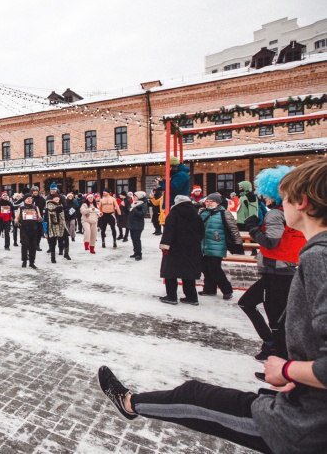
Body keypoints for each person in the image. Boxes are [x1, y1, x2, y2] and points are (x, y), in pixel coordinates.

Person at [98, 158, 327, 454]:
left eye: (285, 198)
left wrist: (288, 369)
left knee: (193, 398)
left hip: (304, 427)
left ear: (304, 202)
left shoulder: (318, 256)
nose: (279, 205)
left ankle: (129, 403)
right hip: (305, 406)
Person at [239, 166, 306, 361]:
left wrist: (253, 229)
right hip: (289, 266)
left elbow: (270, 241)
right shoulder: (294, 214)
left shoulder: (276, 214)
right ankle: (274, 347)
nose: (263, 197)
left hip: (275, 270)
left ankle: (276, 350)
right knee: (275, 313)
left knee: (266, 312)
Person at [158, 195, 204, 305]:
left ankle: (171, 296)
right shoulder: (196, 215)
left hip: (174, 248)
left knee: (170, 273)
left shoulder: (173, 214)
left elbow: (168, 232)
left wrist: (164, 247)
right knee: (188, 273)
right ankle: (192, 297)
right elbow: (201, 232)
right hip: (192, 249)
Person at [199, 193, 243, 300]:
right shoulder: (203, 213)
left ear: (217, 203)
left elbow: (233, 229)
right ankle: (209, 289)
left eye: (211, 201)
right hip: (203, 245)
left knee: (215, 269)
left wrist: (238, 243)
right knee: (205, 268)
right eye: (207, 201)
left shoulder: (225, 213)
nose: (208, 203)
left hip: (217, 245)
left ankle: (227, 290)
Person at [15, 194, 42, 268]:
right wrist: (16, 221)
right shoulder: (21, 208)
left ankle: (32, 262)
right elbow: (17, 217)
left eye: (31, 198)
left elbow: (39, 216)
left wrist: (40, 218)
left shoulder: (35, 207)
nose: (30, 200)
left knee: (33, 246)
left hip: (34, 228)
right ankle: (24, 261)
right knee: (24, 245)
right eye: (28, 198)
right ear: (24, 200)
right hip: (24, 229)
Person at [45, 191, 70, 262]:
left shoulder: (62, 205)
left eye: (57, 198)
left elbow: (65, 215)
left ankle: (66, 253)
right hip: (53, 226)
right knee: (53, 241)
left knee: (66, 238)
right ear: (52, 199)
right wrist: (45, 229)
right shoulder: (49, 206)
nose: (57, 199)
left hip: (62, 225)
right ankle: (53, 257)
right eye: (55, 198)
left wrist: (66, 212)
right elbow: (46, 217)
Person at [128, 191, 147, 261]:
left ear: (139, 197)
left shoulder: (143, 204)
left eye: (135, 196)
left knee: (137, 239)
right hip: (132, 224)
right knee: (133, 239)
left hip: (138, 225)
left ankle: (139, 254)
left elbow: (142, 214)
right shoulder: (134, 203)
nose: (134, 197)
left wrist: (134, 209)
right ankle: (136, 252)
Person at [30, 186, 47, 251]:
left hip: (39, 217)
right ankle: (32, 244)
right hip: (31, 217)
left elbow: (44, 208)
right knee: (33, 232)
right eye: (34, 191)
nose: (35, 192)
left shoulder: (42, 199)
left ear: (38, 191)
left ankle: (37, 244)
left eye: (36, 191)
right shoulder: (30, 198)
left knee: (39, 232)